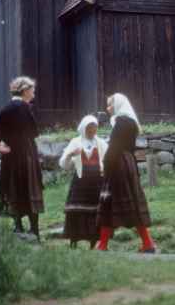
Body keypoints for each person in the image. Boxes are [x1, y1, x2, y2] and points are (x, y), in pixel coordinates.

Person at [96, 93, 156, 253]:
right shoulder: (131, 122)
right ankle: (147, 243)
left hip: (117, 164)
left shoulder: (121, 122)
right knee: (133, 203)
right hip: (128, 162)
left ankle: (102, 245)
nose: (108, 108)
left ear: (118, 105)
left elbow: (114, 148)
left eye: (110, 105)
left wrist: (105, 166)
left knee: (107, 202)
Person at [0, 76, 44, 239]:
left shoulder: (5, 109)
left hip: (10, 156)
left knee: (14, 187)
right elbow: (34, 132)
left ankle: (18, 227)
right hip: (26, 154)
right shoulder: (25, 108)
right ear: (25, 90)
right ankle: (34, 229)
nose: (33, 93)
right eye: (32, 90)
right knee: (30, 188)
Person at [59, 114, 108, 248]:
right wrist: (70, 154)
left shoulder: (101, 143)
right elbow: (63, 164)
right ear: (83, 129)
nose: (92, 131)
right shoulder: (75, 142)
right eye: (90, 128)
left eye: (95, 128)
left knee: (94, 211)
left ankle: (93, 241)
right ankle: (74, 240)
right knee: (77, 210)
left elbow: (108, 160)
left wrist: (105, 169)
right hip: (80, 183)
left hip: (97, 183)